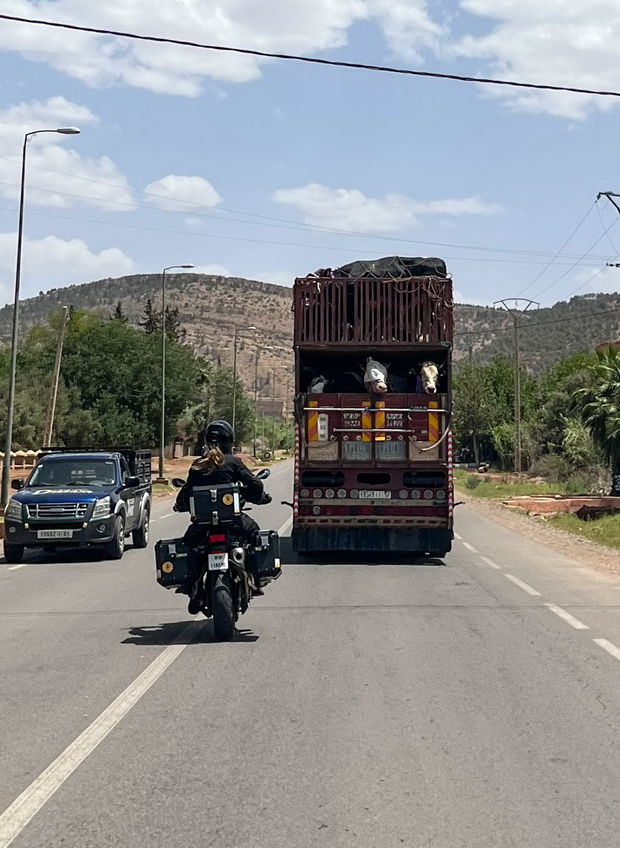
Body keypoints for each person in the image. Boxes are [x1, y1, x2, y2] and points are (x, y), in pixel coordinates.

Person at [175, 419, 271, 602]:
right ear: (229, 441)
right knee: (254, 533)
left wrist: (180, 505)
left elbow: (186, 493)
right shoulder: (233, 462)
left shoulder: (198, 465)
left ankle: (191, 585)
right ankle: (256, 579)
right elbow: (254, 484)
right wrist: (259, 497)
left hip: (202, 526)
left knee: (188, 544)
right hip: (232, 522)